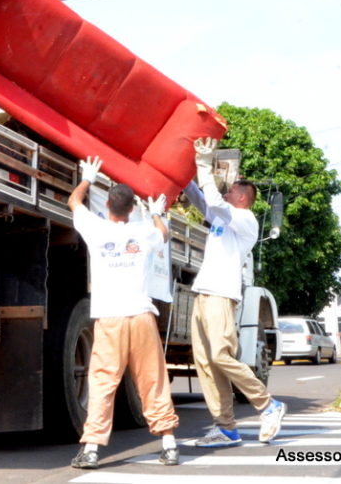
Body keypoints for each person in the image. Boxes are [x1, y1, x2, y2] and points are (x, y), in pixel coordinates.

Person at [68, 156, 181, 469]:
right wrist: (157, 213)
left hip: (110, 319)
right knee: (152, 380)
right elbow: (164, 233)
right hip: (142, 318)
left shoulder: (96, 229)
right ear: (132, 208)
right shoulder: (144, 232)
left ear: (107, 205)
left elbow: (74, 201)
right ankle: (169, 445)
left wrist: (87, 176)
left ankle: (91, 449)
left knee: (103, 383)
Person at [183, 137, 286, 447]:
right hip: (204, 293)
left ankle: (268, 405)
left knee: (220, 355)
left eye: (230, 191)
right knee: (205, 362)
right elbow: (204, 202)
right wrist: (184, 178)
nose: (225, 194)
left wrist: (204, 163)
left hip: (221, 295)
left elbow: (213, 201)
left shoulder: (245, 220)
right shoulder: (223, 219)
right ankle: (226, 428)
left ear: (242, 197)